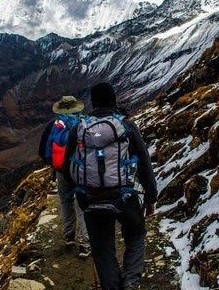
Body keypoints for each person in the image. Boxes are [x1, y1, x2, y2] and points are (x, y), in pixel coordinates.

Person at [63, 83, 158, 290]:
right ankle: (131, 281)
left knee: (102, 248)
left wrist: (80, 192)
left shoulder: (78, 129)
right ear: (114, 101)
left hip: (91, 197)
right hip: (124, 196)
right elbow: (144, 163)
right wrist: (150, 198)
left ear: (92, 103)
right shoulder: (127, 127)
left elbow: (66, 167)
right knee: (136, 233)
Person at [38, 95, 91, 258]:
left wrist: (55, 165)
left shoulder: (54, 126)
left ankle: (69, 236)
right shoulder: (85, 123)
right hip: (81, 170)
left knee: (65, 201)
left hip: (62, 172)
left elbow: (43, 151)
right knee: (82, 204)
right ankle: (84, 243)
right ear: (77, 108)